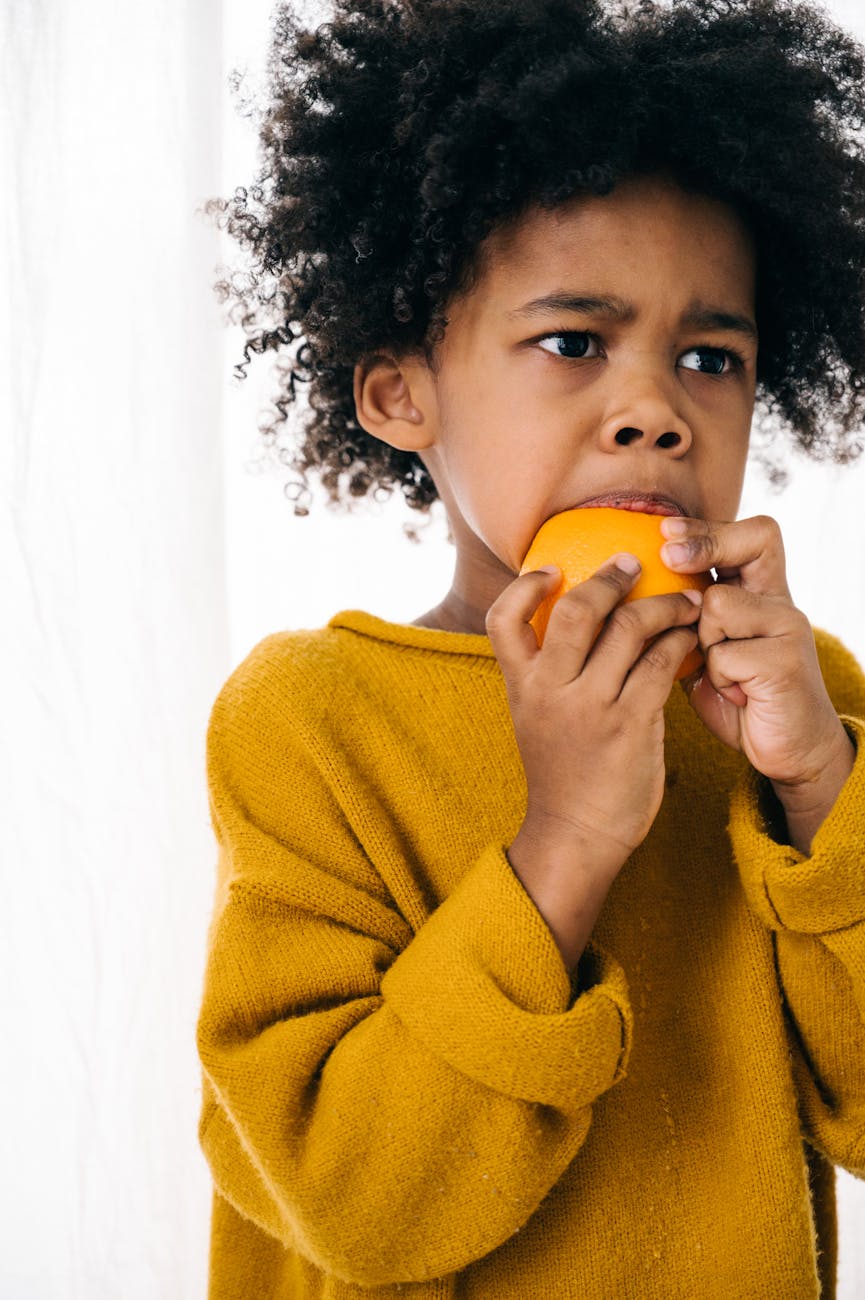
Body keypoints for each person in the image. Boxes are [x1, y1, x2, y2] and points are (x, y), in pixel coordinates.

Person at [195, 1, 865, 1295]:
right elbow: (354, 1207)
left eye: (708, 355)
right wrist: (565, 840)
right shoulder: (312, 718)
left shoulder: (804, 703)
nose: (655, 411)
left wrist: (821, 791)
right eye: (572, 341)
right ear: (400, 392)